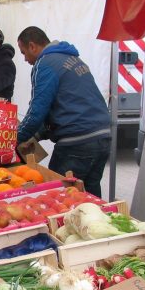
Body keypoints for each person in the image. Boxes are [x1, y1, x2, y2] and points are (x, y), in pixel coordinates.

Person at [16, 26, 111, 198]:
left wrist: (14, 139)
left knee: (58, 194)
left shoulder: (44, 63)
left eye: (23, 52)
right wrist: (36, 136)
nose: (25, 59)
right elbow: (65, 105)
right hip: (102, 136)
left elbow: (37, 111)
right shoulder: (73, 59)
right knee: (90, 194)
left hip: (77, 141)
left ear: (32, 46)